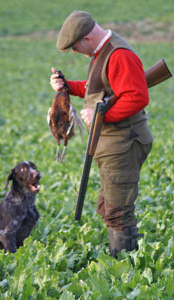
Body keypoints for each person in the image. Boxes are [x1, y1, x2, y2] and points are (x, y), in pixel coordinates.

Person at [50, 10, 153, 258]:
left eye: (75, 47)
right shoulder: (103, 53)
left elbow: (138, 96)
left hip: (124, 143)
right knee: (110, 205)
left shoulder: (119, 55)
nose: (76, 52)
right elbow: (99, 87)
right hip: (114, 144)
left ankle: (125, 271)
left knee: (118, 210)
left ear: (86, 38)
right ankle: (123, 261)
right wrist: (67, 86)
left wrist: (101, 115)